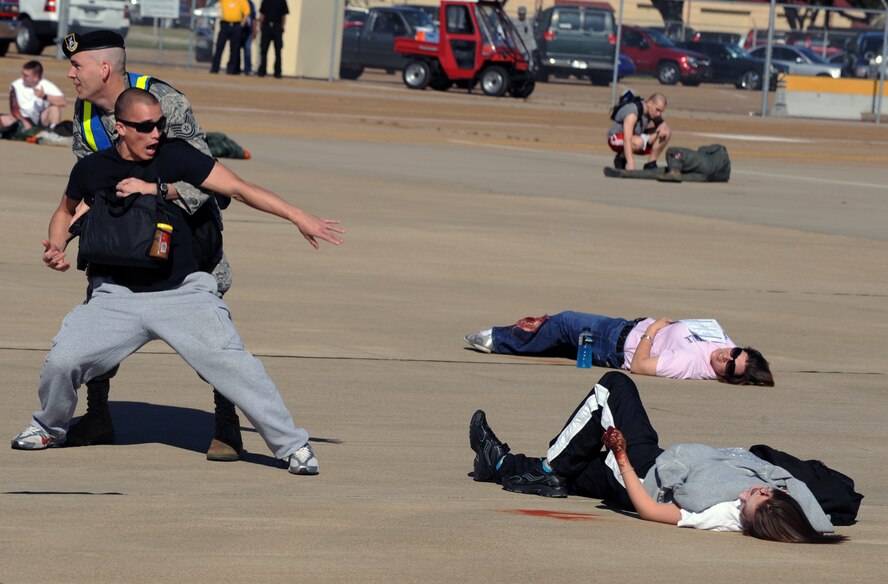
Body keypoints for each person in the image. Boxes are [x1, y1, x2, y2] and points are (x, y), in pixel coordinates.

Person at [11, 88, 345, 479]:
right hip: (115, 296)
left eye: (160, 125)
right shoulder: (93, 169)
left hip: (183, 293)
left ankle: (292, 446)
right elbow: (67, 210)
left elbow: (239, 188)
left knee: (235, 365)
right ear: (120, 128)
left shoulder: (178, 157)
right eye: (145, 127)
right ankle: (50, 428)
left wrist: (297, 215)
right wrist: (57, 244)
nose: (156, 134)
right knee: (62, 362)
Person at [64, 30, 243, 460]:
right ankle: (98, 415)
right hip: (122, 242)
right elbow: (91, 180)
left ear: (103, 69)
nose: (70, 74)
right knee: (98, 324)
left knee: (210, 336)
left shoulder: (162, 101)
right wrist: (68, 231)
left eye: (76, 66)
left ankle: (226, 420)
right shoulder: (85, 114)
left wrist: (155, 188)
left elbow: (206, 177)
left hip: (186, 240)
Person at [469, 371, 846, 543]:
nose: (749, 492)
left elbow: (651, 510)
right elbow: (812, 513)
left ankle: (545, 468)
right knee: (574, 469)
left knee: (614, 387)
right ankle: (499, 464)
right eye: (760, 495)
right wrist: (815, 528)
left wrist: (621, 457)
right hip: (653, 462)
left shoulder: (719, 515)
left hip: (641, 470)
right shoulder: (781, 497)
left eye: (749, 503)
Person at [464, 312, 774, 386]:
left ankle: (498, 340)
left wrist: (652, 332)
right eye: (736, 353)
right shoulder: (724, 349)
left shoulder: (690, 364)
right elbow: (738, 355)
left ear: (728, 377)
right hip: (622, 327)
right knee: (561, 338)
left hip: (613, 345)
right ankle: (515, 340)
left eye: (731, 366)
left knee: (562, 324)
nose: (727, 356)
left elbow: (639, 366)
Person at [607, 93, 671, 171]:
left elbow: (662, 124)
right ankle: (621, 159)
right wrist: (631, 165)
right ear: (649, 103)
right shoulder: (633, 113)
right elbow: (627, 139)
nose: (659, 114)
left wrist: (663, 126)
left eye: (661, 112)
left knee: (666, 132)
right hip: (616, 139)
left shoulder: (651, 111)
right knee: (638, 142)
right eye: (657, 110)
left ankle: (650, 164)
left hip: (636, 138)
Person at [0, 60, 66, 131]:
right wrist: (24, 122)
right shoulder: (16, 85)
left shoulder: (46, 85)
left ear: (36, 77)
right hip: (20, 118)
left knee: (54, 108)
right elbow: (14, 109)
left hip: (41, 119)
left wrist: (45, 96)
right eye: (23, 74)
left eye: (26, 76)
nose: (23, 77)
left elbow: (63, 102)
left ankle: (54, 131)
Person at [210, 0, 251, 75]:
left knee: (234, 49)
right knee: (219, 46)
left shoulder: (242, 1)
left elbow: (247, 12)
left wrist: (242, 24)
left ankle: (231, 69)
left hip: (236, 25)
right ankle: (215, 68)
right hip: (225, 25)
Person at [257, 0, 289, 79]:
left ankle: (277, 72)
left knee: (278, 51)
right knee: (263, 50)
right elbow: (262, 14)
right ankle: (262, 71)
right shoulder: (265, 1)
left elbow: (284, 16)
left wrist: (282, 27)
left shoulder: (282, 1)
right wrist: (261, 26)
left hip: (277, 27)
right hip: (266, 26)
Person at [240, 0, 258, 76]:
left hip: (248, 30)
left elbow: (253, 19)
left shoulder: (251, 4)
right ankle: (235, 68)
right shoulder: (238, 2)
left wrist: (254, 30)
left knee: (247, 49)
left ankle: (248, 69)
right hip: (239, 29)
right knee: (235, 49)